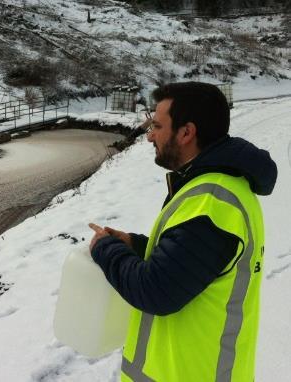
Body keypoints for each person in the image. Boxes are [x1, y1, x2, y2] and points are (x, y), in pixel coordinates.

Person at [88, 82, 277, 381]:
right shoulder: (219, 186)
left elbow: (156, 291)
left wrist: (105, 249)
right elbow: (198, 264)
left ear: (186, 133)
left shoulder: (211, 203)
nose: (150, 135)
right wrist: (137, 245)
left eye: (157, 126)